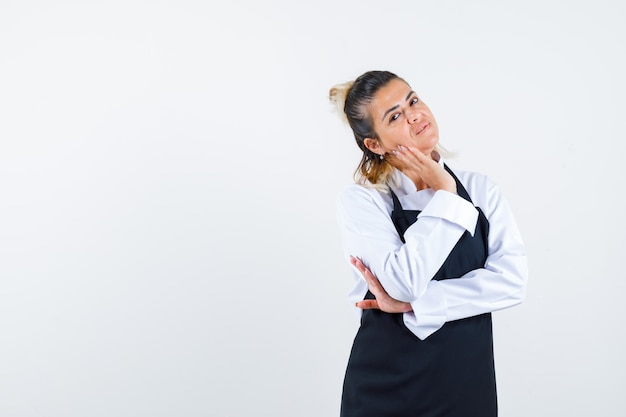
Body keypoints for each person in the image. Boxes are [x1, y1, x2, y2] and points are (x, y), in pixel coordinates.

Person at [329, 70, 528, 417]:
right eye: (395, 116)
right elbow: (403, 281)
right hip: (384, 392)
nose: (415, 115)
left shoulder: (481, 191)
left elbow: (512, 283)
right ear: (374, 144)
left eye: (413, 100)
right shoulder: (364, 202)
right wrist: (446, 195)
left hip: (466, 387)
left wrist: (417, 305)